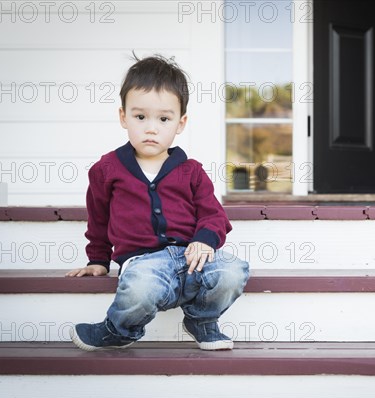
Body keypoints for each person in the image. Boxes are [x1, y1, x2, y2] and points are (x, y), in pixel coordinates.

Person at [66, 55, 249, 351]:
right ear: (123, 116)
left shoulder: (191, 171)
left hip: (192, 259)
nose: (151, 128)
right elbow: (98, 220)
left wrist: (204, 241)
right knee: (140, 286)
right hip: (144, 263)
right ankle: (120, 329)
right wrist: (98, 260)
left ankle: (202, 320)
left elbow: (214, 215)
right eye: (140, 117)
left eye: (163, 119)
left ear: (180, 123)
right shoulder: (107, 170)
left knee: (233, 271)